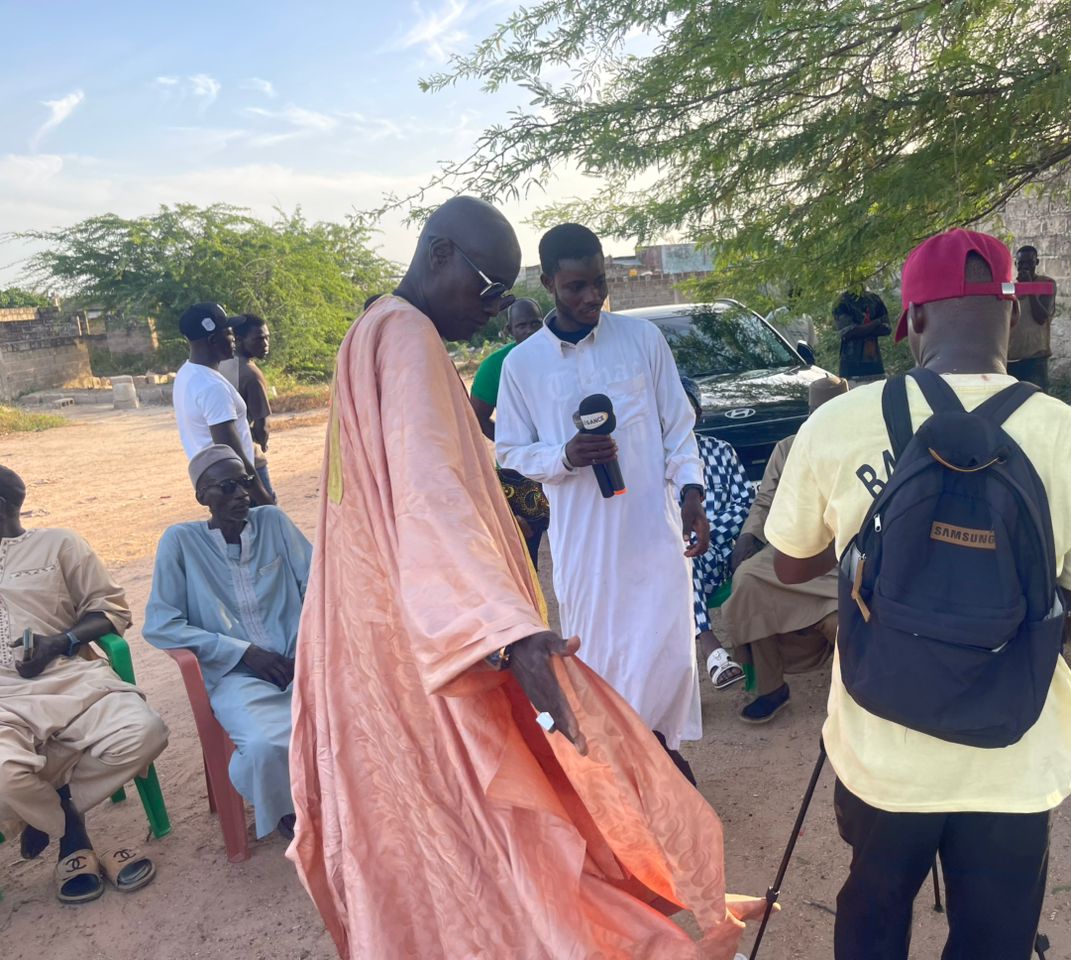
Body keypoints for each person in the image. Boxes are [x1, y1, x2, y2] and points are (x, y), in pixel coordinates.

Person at [289, 197, 759, 960]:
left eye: (505, 293)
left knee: (641, 705)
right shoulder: (413, 343)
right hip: (473, 613)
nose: (494, 308)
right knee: (507, 796)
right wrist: (509, 629)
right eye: (486, 286)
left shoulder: (372, 329)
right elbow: (431, 495)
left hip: (618, 555)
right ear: (437, 253)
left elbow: (678, 430)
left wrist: (690, 496)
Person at [767, 228, 1071, 960]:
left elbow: (788, 566)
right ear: (1011, 317)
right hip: (1015, 750)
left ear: (914, 323)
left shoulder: (835, 424)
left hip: (882, 744)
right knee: (994, 938)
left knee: (872, 915)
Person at [496, 222, 710, 783]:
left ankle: (663, 749)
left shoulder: (642, 341)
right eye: (576, 288)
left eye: (599, 282)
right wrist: (565, 457)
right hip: (587, 545)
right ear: (547, 284)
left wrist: (691, 492)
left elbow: (677, 427)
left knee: (667, 652)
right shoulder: (524, 365)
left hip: (653, 532)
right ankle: (627, 764)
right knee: (602, 656)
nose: (592, 297)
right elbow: (512, 449)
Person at [0, 466, 167, 904]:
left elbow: (111, 610)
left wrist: (59, 642)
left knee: (146, 732)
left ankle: (49, 812)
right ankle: (68, 825)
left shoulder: (59, 544)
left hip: (69, 678)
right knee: (5, 777)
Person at [144, 445, 310, 841]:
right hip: (236, 676)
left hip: (302, 663)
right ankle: (289, 808)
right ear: (202, 496)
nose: (242, 495)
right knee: (262, 744)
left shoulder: (272, 522)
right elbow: (161, 622)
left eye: (247, 482)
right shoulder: (181, 543)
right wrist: (242, 652)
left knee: (353, 716)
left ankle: (339, 798)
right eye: (228, 486)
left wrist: (307, 647)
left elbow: (319, 586)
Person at [721, 375, 847, 723]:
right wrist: (748, 536)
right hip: (797, 552)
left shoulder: (858, 443)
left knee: (841, 623)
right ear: (809, 412)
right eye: (815, 412)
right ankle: (771, 688)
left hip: (844, 555)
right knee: (747, 581)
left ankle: (862, 698)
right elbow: (766, 501)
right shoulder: (789, 446)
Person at [680, 375, 754, 690]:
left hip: (727, 551)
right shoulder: (654, 463)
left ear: (698, 412)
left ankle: (711, 648)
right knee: (683, 560)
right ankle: (711, 647)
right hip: (680, 557)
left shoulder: (721, 451)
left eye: (685, 407)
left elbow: (745, 503)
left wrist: (709, 533)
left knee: (687, 556)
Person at [470, 299, 550, 564]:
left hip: (566, 462)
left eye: (535, 324)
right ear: (509, 329)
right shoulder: (495, 366)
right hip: (519, 474)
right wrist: (513, 444)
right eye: (521, 325)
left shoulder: (558, 355)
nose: (529, 331)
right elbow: (477, 416)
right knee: (524, 553)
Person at [172, 301, 273, 506]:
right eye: (229, 333)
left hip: (215, 482)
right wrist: (264, 498)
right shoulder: (211, 387)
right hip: (237, 487)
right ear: (213, 340)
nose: (235, 339)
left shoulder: (187, 373)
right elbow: (230, 450)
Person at [220, 313, 276, 501]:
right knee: (268, 514)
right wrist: (262, 441)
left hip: (223, 459)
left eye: (267, 338)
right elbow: (263, 426)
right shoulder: (251, 374)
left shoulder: (220, 365)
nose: (265, 344)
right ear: (239, 340)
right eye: (259, 339)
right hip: (250, 459)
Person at [1007, 244, 1056, 389]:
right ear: (1016, 264)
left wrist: (1029, 287)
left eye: (1029, 263)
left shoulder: (1046, 284)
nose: (1025, 267)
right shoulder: (1011, 288)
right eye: (1021, 263)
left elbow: (1041, 317)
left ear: (1037, 262)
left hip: (1035, 358)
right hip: (1012, 357)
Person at [832, 290, 890, 381]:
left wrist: (862, 329)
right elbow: (848, 332)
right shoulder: (842, 302)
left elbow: (886, 328)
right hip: (851, 368)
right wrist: (876, 323)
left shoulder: (874, 299)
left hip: (874, 366)